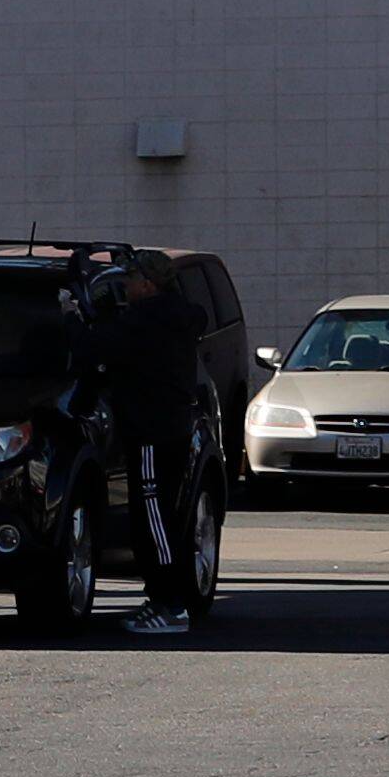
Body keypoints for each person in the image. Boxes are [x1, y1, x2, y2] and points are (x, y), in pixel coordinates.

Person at [96, 258, 217, 640]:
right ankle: (165, 599)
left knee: (154, 517)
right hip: (172, 428)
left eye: (131, 279)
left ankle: (169, 602)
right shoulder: (181, 317)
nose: (127, 287)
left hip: (150, 431)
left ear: (148, 284)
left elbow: (94, 347)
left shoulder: (144, 320)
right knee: (166, 512)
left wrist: (71, 321)